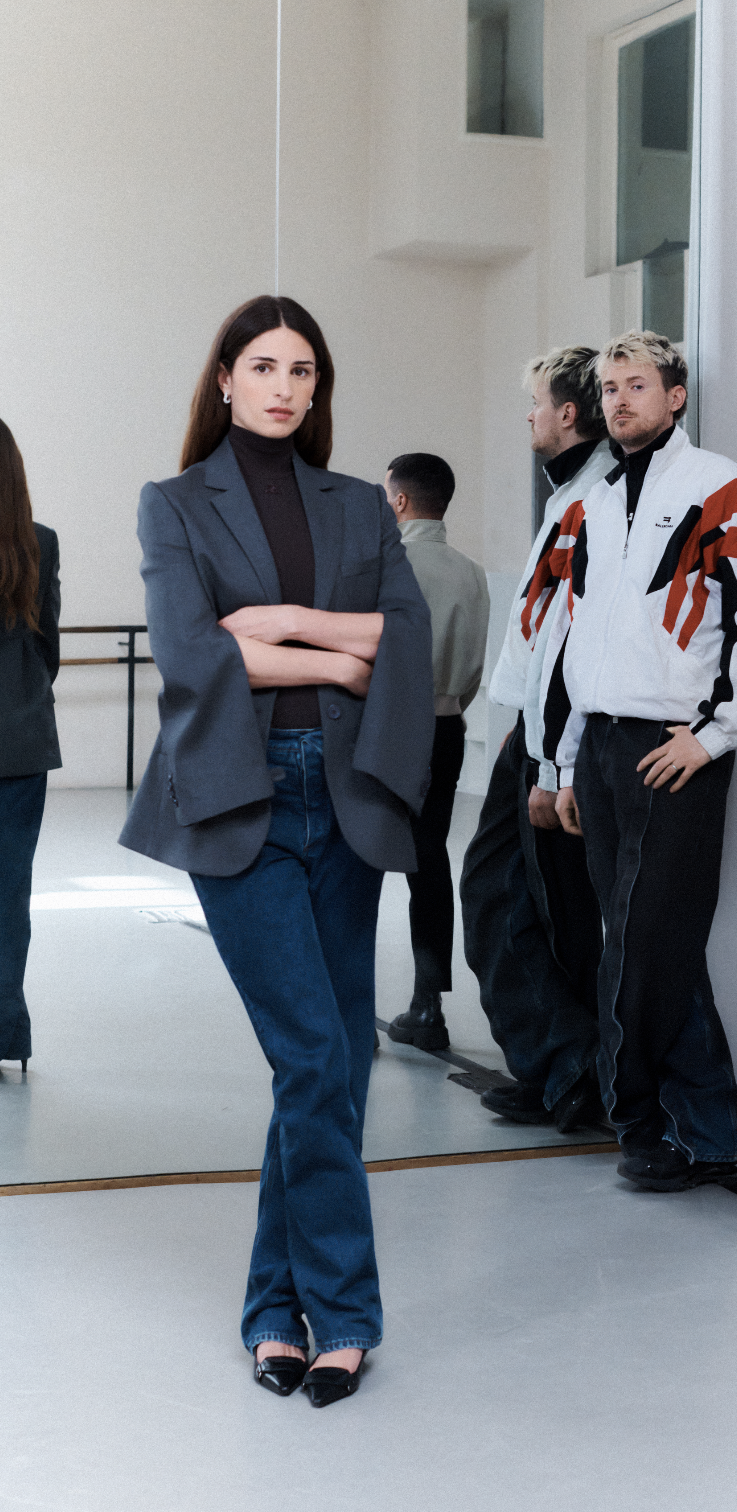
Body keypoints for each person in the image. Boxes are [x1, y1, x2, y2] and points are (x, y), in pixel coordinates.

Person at [120, 295, 434, 1406]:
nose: (284, 387)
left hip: (345, 799)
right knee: (313, 1056)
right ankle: (342, 1312)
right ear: (224, 379)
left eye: (302, 369)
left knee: (333, 1062)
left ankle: (272, 1308)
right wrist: (340, 655)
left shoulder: (357, 505)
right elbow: (188, 653)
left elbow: (408, 638)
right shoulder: (173, 503)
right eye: (263, 366)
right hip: (238, 798)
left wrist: (282, 627)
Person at [551, 331, 737, 1190]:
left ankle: (636, 1122)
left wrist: (717, 735)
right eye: (609, 388)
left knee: (644, 943)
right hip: (601, 747)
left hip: (672, 746)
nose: (619, 400)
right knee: (656, 942)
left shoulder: (721, 488)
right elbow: (577, 637)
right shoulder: (595, 502)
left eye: (636, 385)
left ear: (675, 396)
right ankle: (710, 1134)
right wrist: (567, 760)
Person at [459, 347, 611, 1132]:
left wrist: (558, 757)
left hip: (560, 737)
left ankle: (573, 1065)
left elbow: (575, 641)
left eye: (537, 403)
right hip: (535, 729)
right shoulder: (569, 496)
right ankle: (555, 1064)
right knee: (508, 895)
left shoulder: (597, 501)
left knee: (542, 904)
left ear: (567, 414)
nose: (529, 415)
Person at [383, 452, 488, 1052]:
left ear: (400, 501)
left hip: (386, 730)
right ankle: (429, 1006)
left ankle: (348, 1011)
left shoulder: (385, 565)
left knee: (358, 861)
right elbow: (472, 670)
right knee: (429, 861)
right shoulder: (471, 573)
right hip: (446, 728)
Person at [0, 418, 60, 1077]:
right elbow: (49, 650)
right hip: (19, 745)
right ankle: (5, 1031)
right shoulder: (39, 544)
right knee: (9, 896)